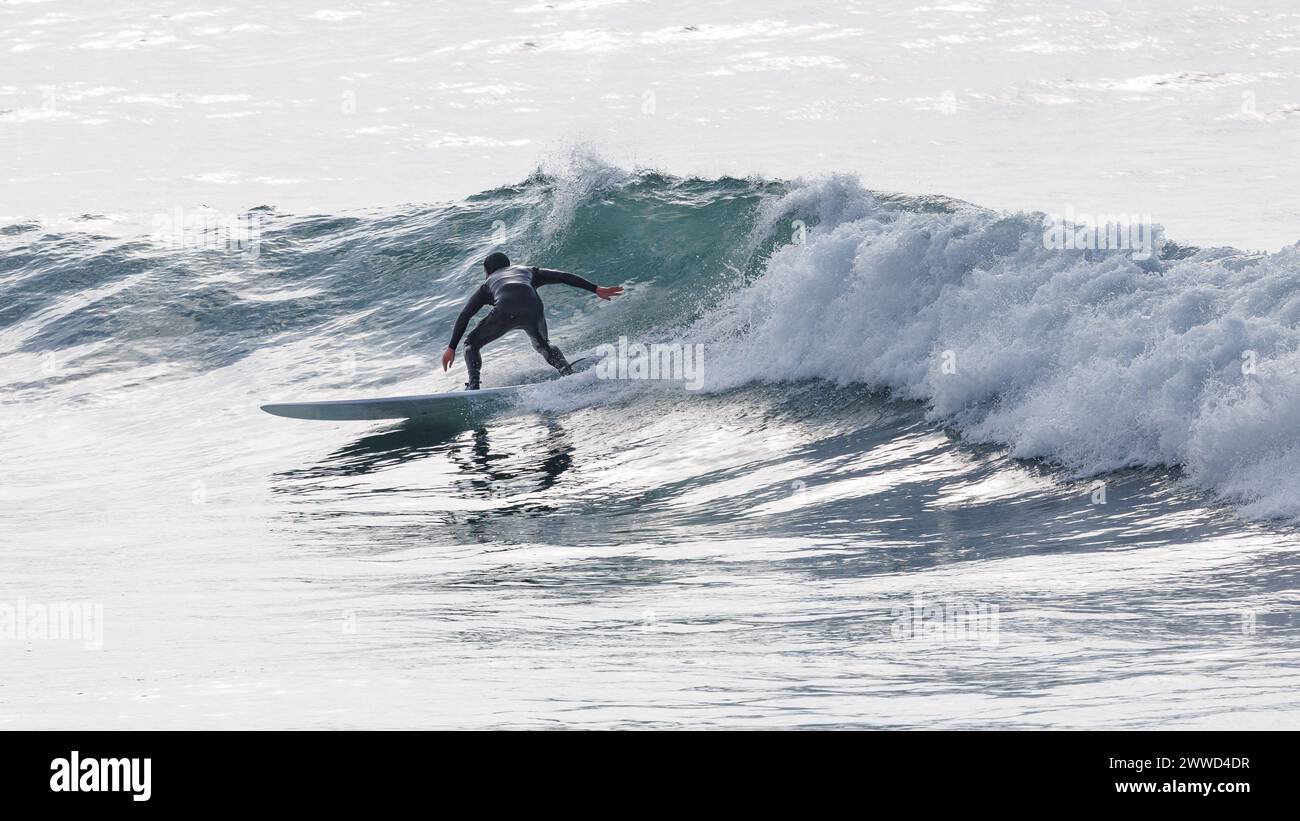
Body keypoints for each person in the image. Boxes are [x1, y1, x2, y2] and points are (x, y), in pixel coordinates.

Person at [442, 252, 624, 389]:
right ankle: (567, 373)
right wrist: (595, 289)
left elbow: (465, 314)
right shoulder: (528, 270)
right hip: (533, 307)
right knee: (543, 345)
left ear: (487, 271)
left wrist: (451, 347)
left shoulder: (487, 284)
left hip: (505, 310)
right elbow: (562, 276)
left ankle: (473, 385)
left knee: (471, 344)